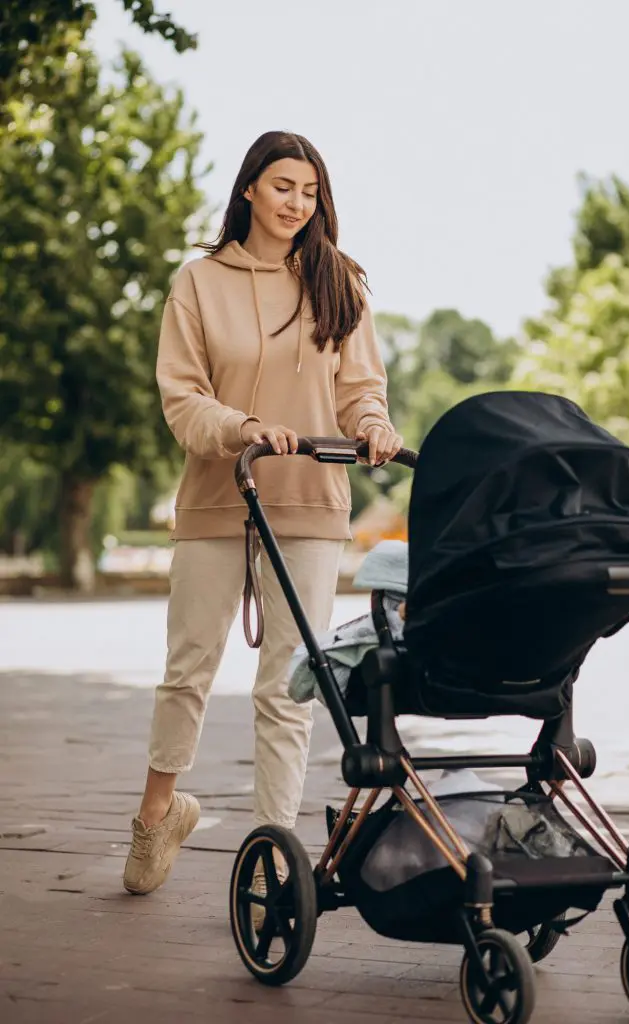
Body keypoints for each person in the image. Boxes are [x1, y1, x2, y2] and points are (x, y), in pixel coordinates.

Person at [123, 131, 401, 898]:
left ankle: (276, 854)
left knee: (288, 684)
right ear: (249, 188)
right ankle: (156, 814)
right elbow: (183, 399)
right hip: (221, 494)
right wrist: (243, 427)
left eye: (309, 192)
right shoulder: (199, 282)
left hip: (311, 502)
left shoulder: (337, 281)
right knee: (188, 671)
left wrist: (373, 425)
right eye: (282, 186)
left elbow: (359, 389)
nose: (296, 204)